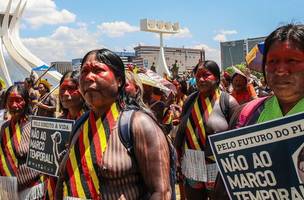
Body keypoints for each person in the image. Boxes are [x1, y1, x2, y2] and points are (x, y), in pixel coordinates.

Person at [55, 49, 171, 199]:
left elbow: (161, 192)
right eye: (84, 71)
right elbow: (63, 179)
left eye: (98, 70)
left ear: (119, 80)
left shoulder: (139, 124)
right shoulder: (80, 125)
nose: (89, 77)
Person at [214, 23, 304, 199]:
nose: (280, 69)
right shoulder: (245, 115)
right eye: (272, 61)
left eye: (292, 60)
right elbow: (225, 187)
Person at [174, 60, 238, 200]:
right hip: (192, 162)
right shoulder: (190, 100)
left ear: (216, 78)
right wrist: (176, 157)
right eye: (198, 76)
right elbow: (181, 131)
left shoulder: (228, 102)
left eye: (206, 75)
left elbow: (237, 138)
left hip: (217, 165)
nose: (201, 79)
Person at [44, 70, 88, 199]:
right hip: (59, 186)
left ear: (82, 90)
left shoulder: (92, 121)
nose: (65, 94)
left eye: (71, 89)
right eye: (63, 89)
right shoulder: (59, 122)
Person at [0, 84, 44, 199]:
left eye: (18, 100)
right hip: (7, 189)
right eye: (10, 101)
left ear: (26, 102)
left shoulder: (35, 126)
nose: (14, 105)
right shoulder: (4, 128)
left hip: (32, 190)